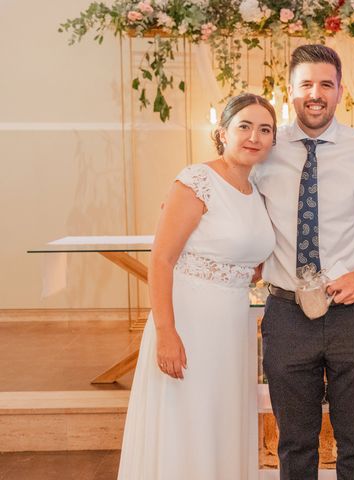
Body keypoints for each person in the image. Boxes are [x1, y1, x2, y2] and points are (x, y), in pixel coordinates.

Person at [253, 44, 354, 480]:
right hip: (286, 312)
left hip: (353, 313)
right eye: (305, 84)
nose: (315, 93)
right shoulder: (266, 149)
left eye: (325, 84)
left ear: (340, 92)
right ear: (290, 91)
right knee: (294, 442)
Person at [117, 93, 277, 480]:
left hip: (232, 325)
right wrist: (166, 332)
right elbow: (161, 260)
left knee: (220, 416)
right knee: (187, 418)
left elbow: (248, 257)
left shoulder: (256, 192)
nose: (254, 136)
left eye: (265, 129)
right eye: (244, 126)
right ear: (222, 133)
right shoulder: (197, 180)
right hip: (189, 321)